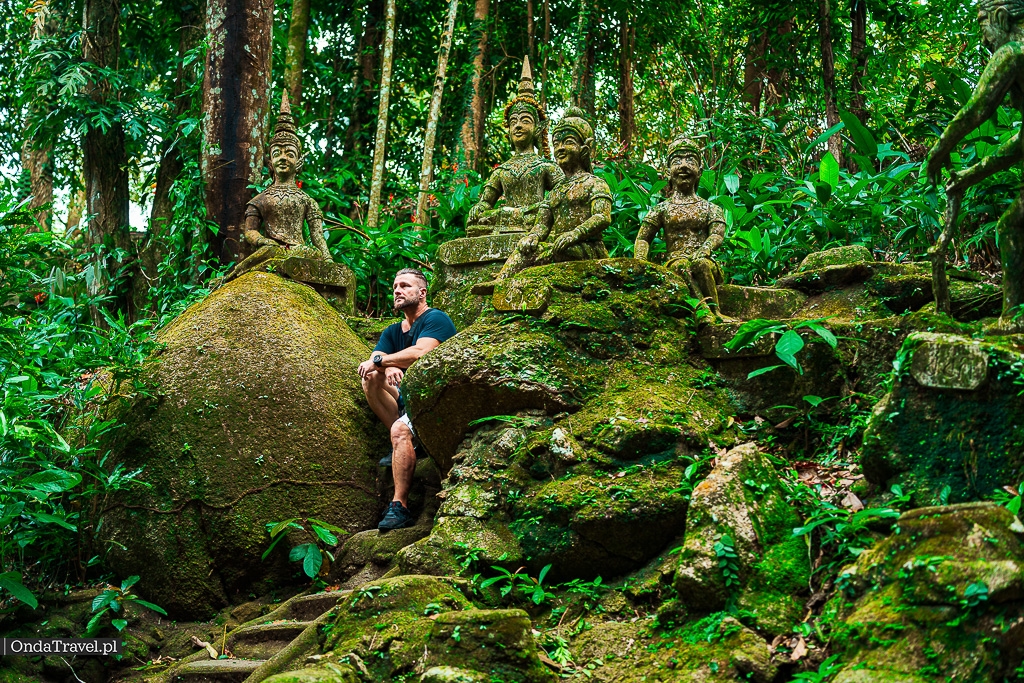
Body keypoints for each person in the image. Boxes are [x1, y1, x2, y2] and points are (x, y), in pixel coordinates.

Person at [924, 0, 1024, 332]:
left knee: (1012, 227)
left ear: (999, 17)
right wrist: (969, 174)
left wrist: (939, 150)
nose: (983, 39)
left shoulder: (1013, 51)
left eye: (982, 25)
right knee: (1013, 223)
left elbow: (976, 109)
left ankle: (1013, 318)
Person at [472, 107, 612, 294]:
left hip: (584, 247)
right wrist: (532, 237)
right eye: (557, 143)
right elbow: (542, 225)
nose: (561, 148)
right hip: (558, 246)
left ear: (585, 149)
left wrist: (574, 234)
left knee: (552, 252)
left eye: (568, 143)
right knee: (526, 249)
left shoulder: (594, 183)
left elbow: (602, 217)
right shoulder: (556, 192)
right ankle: (501, 280)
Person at [358, 269, 457, 531]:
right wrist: (384, 365)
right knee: (370, 378)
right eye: (394, 287)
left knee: (400, 429)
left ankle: (399, 507)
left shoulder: (436, 318)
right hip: (406, 399)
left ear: (422, 293)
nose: (398, 291)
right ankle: (402, 444)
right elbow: (372, 364)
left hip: (434, 402)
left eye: (405, 286)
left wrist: (384, 361)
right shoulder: (393, 331)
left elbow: (420, 353)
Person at [465, 56, 563, 236]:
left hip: (535, 221)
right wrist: (479, 208)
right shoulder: (502, 171)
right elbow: (486, 202)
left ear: (537, 128)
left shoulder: (546, 167)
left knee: (546, 213)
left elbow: (563, 197)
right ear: (508, 129)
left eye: (525, 121)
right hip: (504, 221)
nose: (518, 126)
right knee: (479, 224)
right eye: (513, 122)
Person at [634, 136, 726, 316]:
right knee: (681, 265)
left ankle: (716, 312)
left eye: (690, 160)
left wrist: (706, 248)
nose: (684, 166)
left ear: (699, 171)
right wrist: (641, 263)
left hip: (705, 261)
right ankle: (704, 313)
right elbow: (643, 238)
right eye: (677, 161)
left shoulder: (710, 208)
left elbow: (717, 234)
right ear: (668, 171)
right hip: (675, 262)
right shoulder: (662, 209)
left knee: (700, 264)